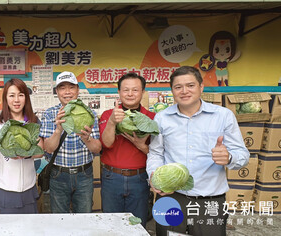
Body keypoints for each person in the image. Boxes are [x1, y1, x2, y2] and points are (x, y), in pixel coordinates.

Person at [147, 66, 249, 236]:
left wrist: (229, 157)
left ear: (201, 87)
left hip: (209, 201)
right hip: (171, 197)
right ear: (172, 90)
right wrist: (154, 176)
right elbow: (156, 153)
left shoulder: (223, 115)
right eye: (178, 87)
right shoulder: (162, 118)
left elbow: (243, 155)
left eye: (190, 85)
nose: (184, 91)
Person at [39, 71, 102, 213]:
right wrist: (58, 130)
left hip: (84, 175)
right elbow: (48, 149)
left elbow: (97, 148)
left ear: (78, 90)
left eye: (71, 87)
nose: (67, 92)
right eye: (62, 88)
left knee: (84, 217)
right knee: (60, 219)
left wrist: (87, 139)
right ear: (57, 92)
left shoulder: (89, 113)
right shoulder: (50, 114)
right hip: (58, 175)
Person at [99, 73, 154, 227]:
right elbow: (106, 143)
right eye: (126, 90)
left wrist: (141, 145)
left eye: (135, 90)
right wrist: (111, 122)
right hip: (111, 178)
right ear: (119, 92)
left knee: (137, 224)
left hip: (140, 178)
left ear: (142, 92)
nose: (130, 94)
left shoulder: (152, 117)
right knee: (111, 224)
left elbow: (158, 153)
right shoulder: (107, 114)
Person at [0, 78, 44, 214]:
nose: (16, 100)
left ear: (26, 98)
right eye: (11, 95)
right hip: (3, 190)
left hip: (28, 189)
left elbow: (40, 152)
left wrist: (26, 154)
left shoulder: (33, 121)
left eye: (20, 95)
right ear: (5, 98)